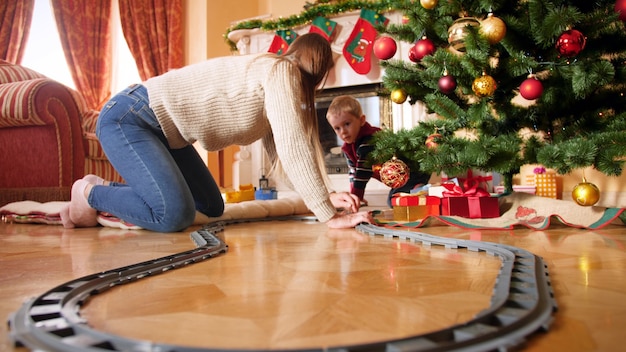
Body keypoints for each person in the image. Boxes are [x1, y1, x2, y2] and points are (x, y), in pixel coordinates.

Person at [60, 33, 372, 232]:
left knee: (211, 206)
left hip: (169, 135)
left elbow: (283, 158)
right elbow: (294, 148)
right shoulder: (281, 71)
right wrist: (329, 217)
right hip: (130, 116)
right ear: (317, 70)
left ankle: (104, 188)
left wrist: (326, 197)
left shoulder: (275, 79)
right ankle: (88, 194)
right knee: (173, 214)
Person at [325, 95, 430, 207]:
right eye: (337, 128)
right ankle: (418, 193)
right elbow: (353, 173)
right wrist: (354, 197)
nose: (343, 132)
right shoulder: (348, 148)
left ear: (361, 120)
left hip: (412, 171)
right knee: (393, 201)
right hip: (398, 179)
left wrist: (357, 196)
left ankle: (422, 191)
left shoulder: (369, 139)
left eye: (347, 124)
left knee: (394, 200)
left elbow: (363, 172)